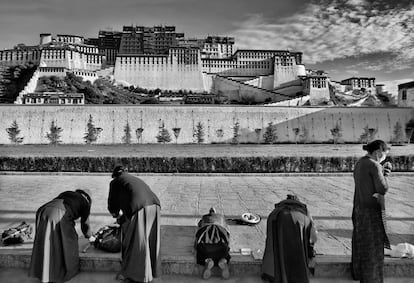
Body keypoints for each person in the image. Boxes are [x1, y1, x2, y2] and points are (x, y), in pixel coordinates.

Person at [108, 165, 161, 283]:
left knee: (137, 242)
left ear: (115, 175)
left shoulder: (115, 182)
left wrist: (116, 216)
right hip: (155, 205)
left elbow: (112, 205)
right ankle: (152, 271)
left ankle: (137, 276)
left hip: (140, 208)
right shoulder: (132, 179)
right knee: (150, 241)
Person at [29, 189, 93, 283]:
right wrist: (89, 236)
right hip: (58, 213)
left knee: (46, 242)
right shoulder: (85, 203)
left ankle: (43, 274)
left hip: (42, 211)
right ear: (88, 198)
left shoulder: (67, 193)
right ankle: (69, 271)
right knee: (70, 241)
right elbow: (85, 224)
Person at [351, 140, 391, 283]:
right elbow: (383, 189)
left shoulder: (360, 163)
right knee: (373, 249)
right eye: (384, 154)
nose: (384, 157)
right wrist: (385, 173)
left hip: (359, 209)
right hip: (371, 212)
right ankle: (372, 279)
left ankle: (359, 274)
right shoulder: (374, 165)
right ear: (378, 152)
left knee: (362, 245)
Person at [262, 194, 317, 283]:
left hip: (272, 272)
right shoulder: (305, 215)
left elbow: (269, 240)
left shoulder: (273, 214)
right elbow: (313, 238)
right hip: (298, 271)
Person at [195, 207, 231, 280]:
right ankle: (223, 260)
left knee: (202, 249)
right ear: (215, 212)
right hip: (222, 248)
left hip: (206, 249)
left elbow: (199, 225)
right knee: (224, 248)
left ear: (209, 212)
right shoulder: (221, 218)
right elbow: (227, 231)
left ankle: (208, 261)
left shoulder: (204, 217)